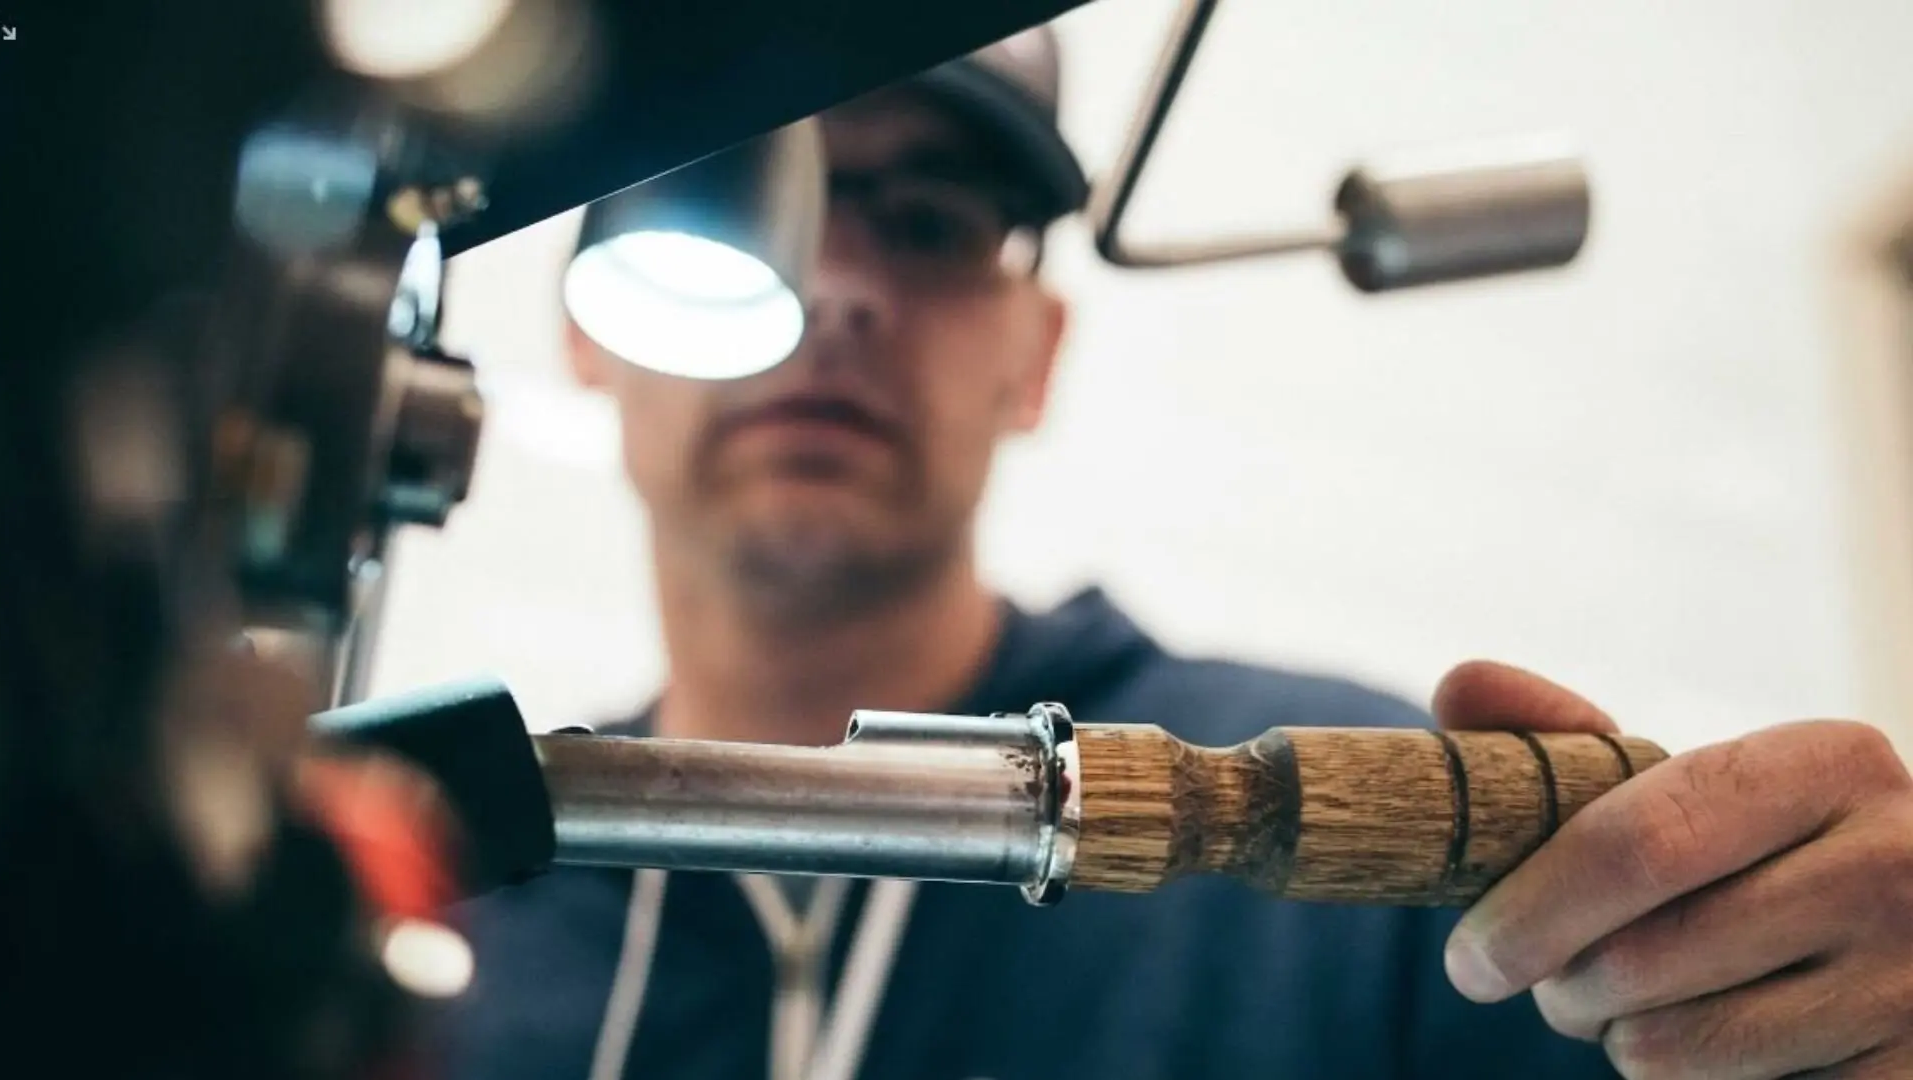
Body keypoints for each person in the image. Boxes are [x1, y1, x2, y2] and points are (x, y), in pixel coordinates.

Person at [441, 24, 1913, 1080]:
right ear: (586, 328)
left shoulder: (1375, 870)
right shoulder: (445, 921)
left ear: (1036, 355)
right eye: (740, 209)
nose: (835, 288)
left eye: (931, 222)